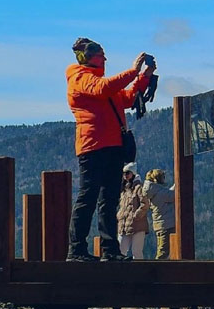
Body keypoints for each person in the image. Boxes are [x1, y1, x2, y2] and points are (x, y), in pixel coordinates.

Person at [65, 38, 154, 262]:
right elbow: (103, 89)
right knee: (89, 198)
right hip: (93, 147)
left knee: (109, 199)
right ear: (88, 57)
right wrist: (133, 71)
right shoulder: (79, 78)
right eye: (100, 54)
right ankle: (76, 250)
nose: (104, 58)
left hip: (112, 146)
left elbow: (123, 98)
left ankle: (109, 249)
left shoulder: (97, 82)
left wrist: (145, 76)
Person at [116, 162, 148, 260]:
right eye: (124, 173)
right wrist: (119, 216)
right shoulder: (123, 190)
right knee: (120, 250)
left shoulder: (139, 187)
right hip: (123, 225)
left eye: (127, 173)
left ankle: (139, 273)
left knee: (136, 252)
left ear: (133, 173)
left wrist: (136, 216)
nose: (125, 175)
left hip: (137, 225)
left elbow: (145, 204)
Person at [142, 169, 176, 260]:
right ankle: (155, 270)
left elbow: (167, 194)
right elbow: (173, 195)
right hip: (166, 224)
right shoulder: (159, 192)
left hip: (160, 225)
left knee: (161, 249)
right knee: (163, 253)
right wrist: (177, 184)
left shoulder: (153, 191)